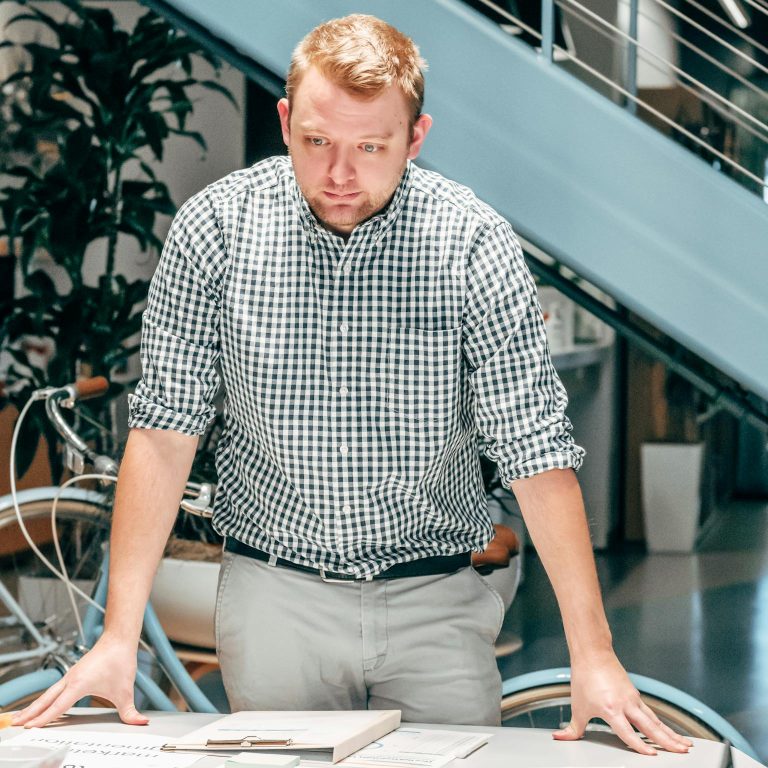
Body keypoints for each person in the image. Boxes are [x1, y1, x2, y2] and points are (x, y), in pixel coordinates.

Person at [14, 13, 691, 756]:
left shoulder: (470, 243)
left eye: (371, 147)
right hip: (275, 601)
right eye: (317, 142)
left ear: (416, 137)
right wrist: (118, 635)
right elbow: (165, 433)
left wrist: (594, 654)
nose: (340, 174)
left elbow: (536, 456)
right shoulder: (216, 230)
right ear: (285, 121)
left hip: (436, 601)